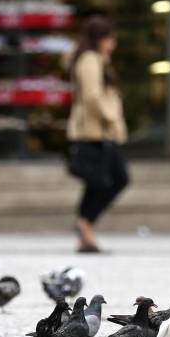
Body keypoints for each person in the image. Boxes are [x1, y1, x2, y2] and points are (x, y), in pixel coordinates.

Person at [66, 15, 129, 253]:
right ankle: (85, 224)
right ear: (99, 39)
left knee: (98, 182)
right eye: (109, 38)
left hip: (100, 131)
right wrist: (110, 117)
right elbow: (92, 95)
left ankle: (85, 231)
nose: (113, 43)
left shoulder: (98, 59)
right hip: (94, 131)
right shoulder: (90, 60)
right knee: (115, 179)